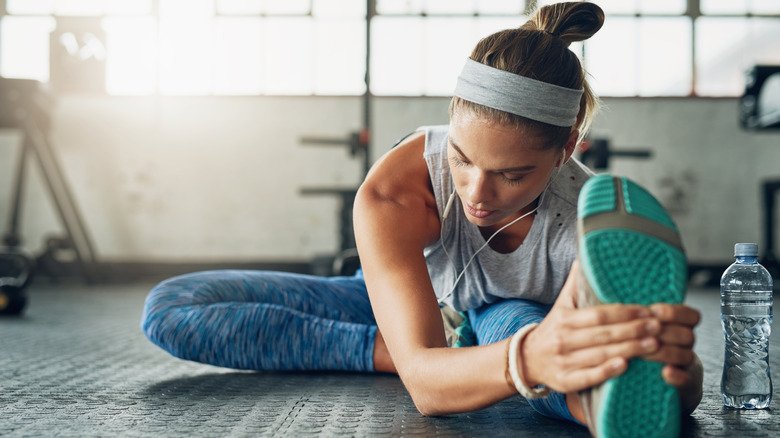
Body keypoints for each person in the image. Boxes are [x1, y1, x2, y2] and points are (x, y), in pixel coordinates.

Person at [141, 2, 703, 436]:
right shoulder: (396, 187)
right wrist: (429, 362)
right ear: (448, 130)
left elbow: (672, 381)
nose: (476, 194)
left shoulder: (589, 222)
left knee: (511, 321)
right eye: (461, 159)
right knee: (172, 310)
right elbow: (428, 392)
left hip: (520, 321)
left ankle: (573, 399)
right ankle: (446, 358)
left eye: (512, 175)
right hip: (403, 304)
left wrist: (675, 374)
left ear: (566, 149)